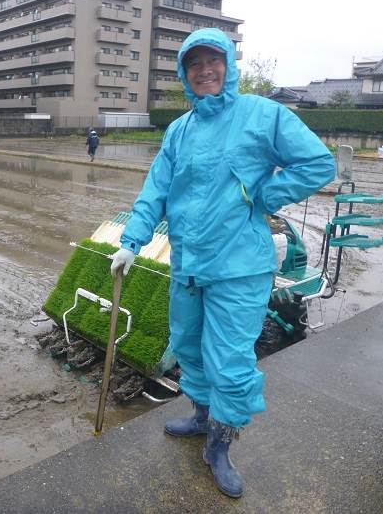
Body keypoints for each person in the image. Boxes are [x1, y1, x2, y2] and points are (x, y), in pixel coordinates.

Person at [110, 28, 334, 498]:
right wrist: (132, 241)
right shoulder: (179, 130)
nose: (205, 70)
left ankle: (220, 445)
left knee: (229, 361)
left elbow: (317, 163)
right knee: (188, 346)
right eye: (195, 64)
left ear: (228, 66)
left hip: (238, 267)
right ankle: (200, 415)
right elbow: (157, 191)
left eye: (214, 61)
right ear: (185, 75)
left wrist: (263, 194)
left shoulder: (261, 114)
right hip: (189, 263)